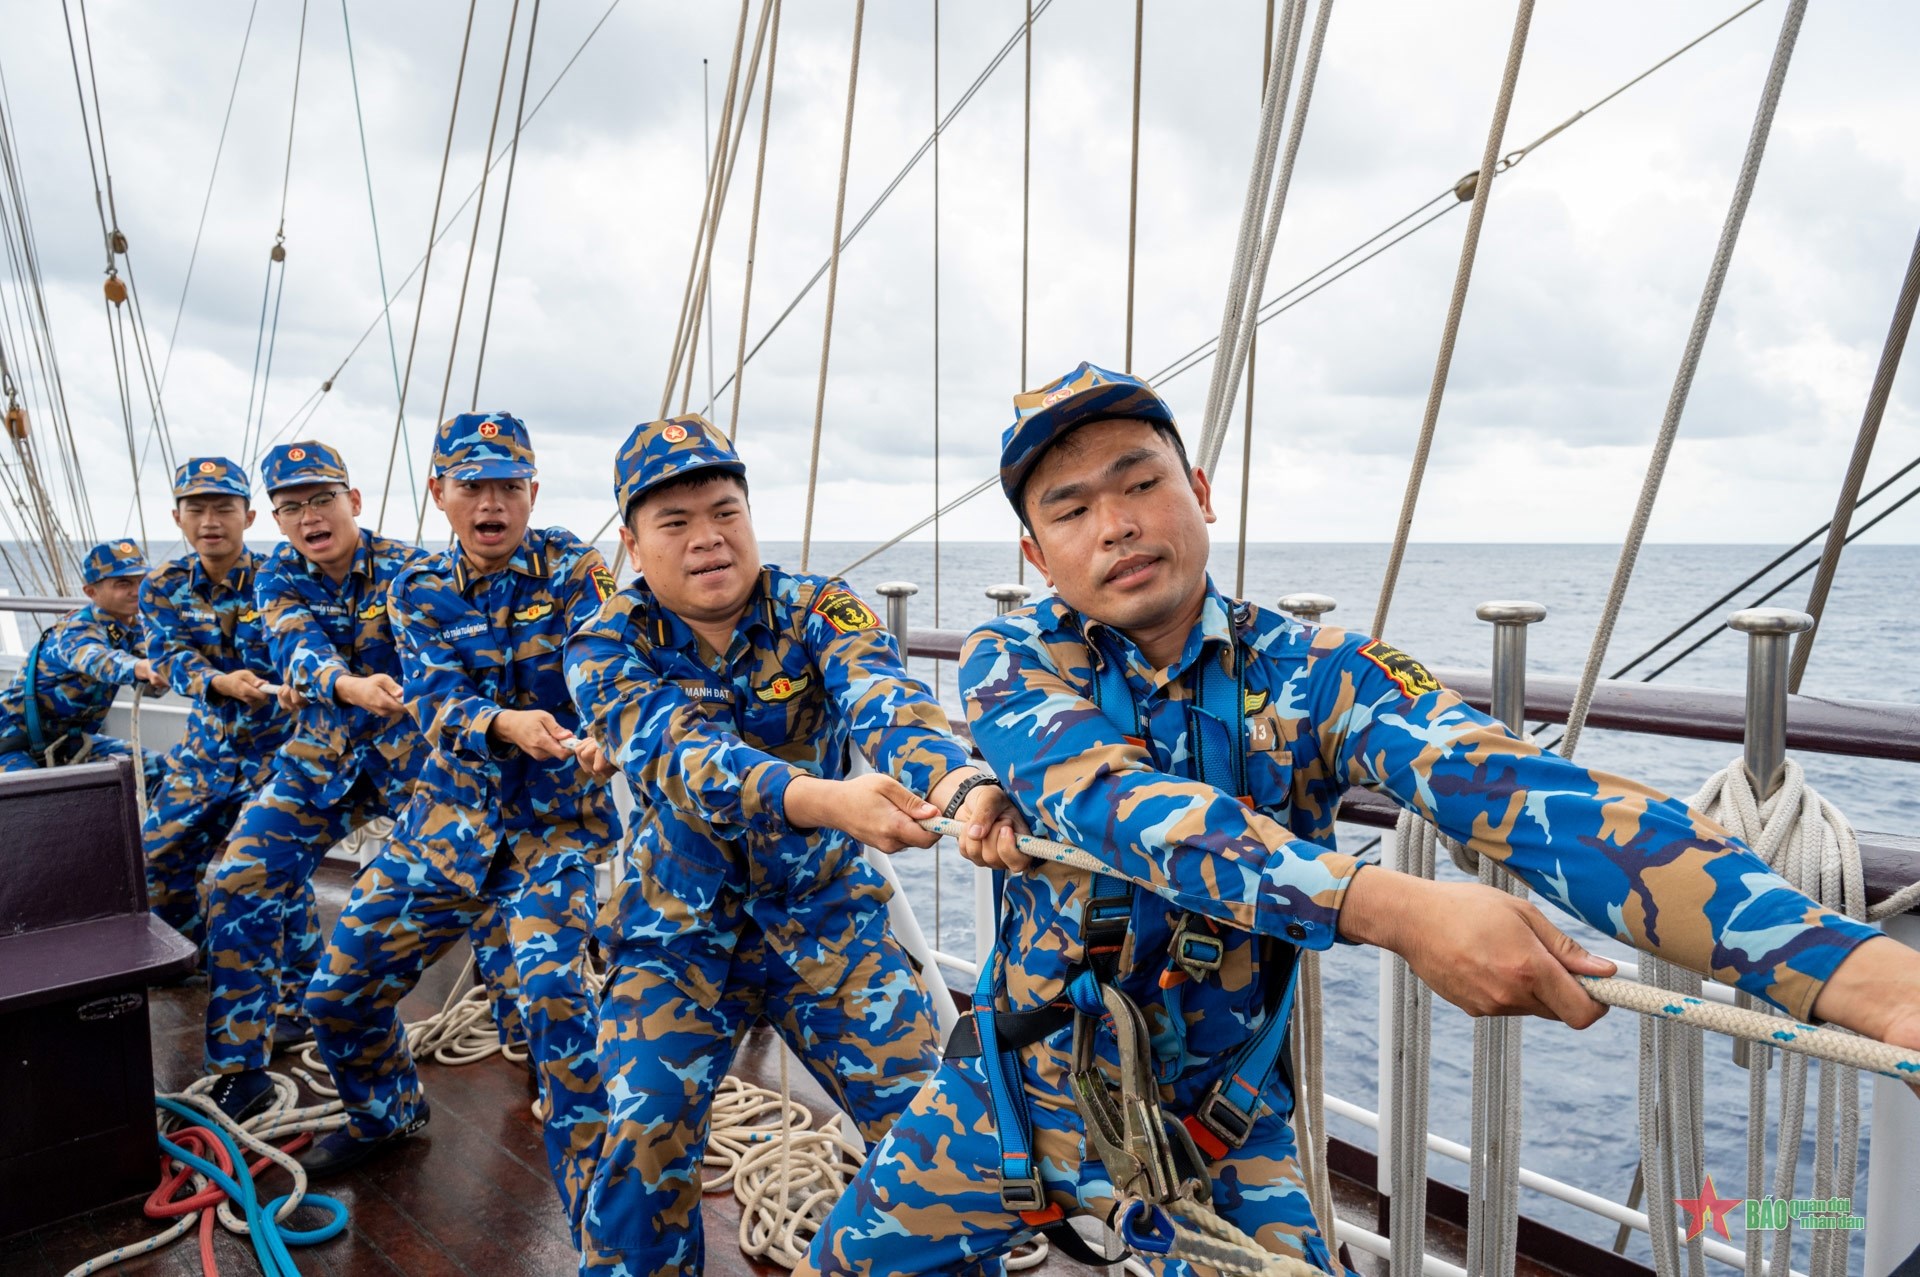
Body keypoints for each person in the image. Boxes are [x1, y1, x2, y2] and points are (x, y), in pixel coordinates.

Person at [801, 362, 1920, 1276]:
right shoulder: (1011, 659)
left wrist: (1856, 973)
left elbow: (1528, 795)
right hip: (1015, 1092)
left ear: (1201, 490)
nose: (1118, 524)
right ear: (1037, 556)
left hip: (1219, 1120)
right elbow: (1117, 805)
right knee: (846, 1263)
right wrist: (1393, 907)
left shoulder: (1323, 672)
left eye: (1140, 482)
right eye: (1072, 508)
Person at [564, 414, 1019, 1276]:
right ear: (631, 544)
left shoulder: (815, 608)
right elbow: (683, 757)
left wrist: (958, 785)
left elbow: (886, 699)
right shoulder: (604, 642)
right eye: (675, 522)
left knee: (940, 1138)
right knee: (643, 1132)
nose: (707, 538)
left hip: (826, 919)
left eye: (724, 512)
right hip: (673, 934)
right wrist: (827, 801)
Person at [300, 413, 620, 1239]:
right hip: (446, 829)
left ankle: (608, 1215)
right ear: (439, 492)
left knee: (555, 999)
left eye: (508, 485)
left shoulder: (574, 567)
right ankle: (386, 1113)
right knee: (337, 992)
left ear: (533, 491)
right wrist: (506, 723)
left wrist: (605, 725)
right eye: (472, 485)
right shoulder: (413, 590)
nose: (492, 503)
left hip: (552, 830)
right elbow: (436, 698)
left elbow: (604, 660)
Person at [200, 441, 430, 1123]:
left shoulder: (411, 568)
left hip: (412, 761)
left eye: (322, 498)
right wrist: (347, 685)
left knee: (481, 880)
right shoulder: (277, 574)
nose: (310, 516)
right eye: (291, 506)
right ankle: (242, 1068)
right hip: (321, 757)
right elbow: (297, 648)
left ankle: (525, 1041)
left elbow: (441, 653)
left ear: (353, 500)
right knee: (239, 878)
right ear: (276, 519)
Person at [141, 457, 299, 949]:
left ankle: (296, 984)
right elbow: (168, 655)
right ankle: (183, 958)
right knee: (157, 858)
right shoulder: (163, 586)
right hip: (205, 752)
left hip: (279, 752)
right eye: (196, 509)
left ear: (248, 517)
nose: (210, 521)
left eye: (224, 508)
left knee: (272, 870)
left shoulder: (281, 577)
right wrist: (218, 682)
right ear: (178, 518)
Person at [0, 539, 165, 774]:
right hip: (12, 743)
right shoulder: (75, 628)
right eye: (123, 583)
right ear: (91, 592)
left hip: (70, 743)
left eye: (142, 581)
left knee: (160, 769)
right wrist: (142, 667)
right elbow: (98, 660)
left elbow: (149, 685)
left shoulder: (135, 628)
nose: (137, 590)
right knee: (35, 794)